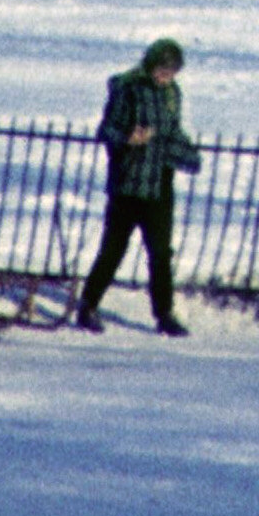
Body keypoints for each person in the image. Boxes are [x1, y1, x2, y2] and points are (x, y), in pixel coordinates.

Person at [75, 37, 200, 336]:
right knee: (114, 249)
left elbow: (172, 132)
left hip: (159, 185)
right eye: (162, 69)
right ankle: (88, 305)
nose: (166, 75)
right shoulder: (128, 88)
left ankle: (164, 313)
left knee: (161, 253)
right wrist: (129, 138)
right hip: (128, 184)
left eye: (172, 71)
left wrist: (188, 155)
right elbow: (107, 130)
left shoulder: (172, 94)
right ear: (151, 64)